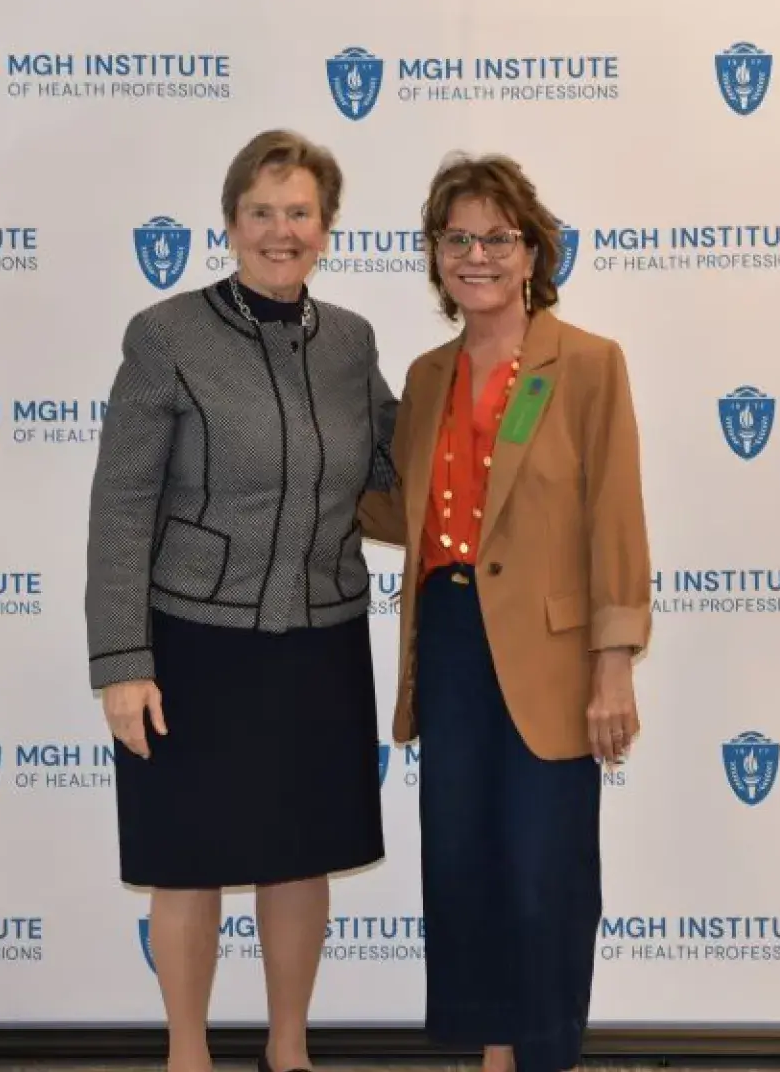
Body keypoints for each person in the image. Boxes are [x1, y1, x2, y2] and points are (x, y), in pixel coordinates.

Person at [84, 128, 399, 1072]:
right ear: (229, 223)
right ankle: (187, 1054)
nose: (280, 230)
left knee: (301, 853)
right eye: (261, 212)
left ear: (326, 229)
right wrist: (123, 662)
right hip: (194, 645)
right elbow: (122, 505)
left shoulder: (352, 342)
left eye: (299, 212)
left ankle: (287, 1051)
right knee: (187, 859)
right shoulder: (165, 336)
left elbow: (397, 464)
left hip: (321, 639)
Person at [368, 152, 652, 1072]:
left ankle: (543, 1056)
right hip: (449, 641)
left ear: (531, 252)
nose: (477, 256)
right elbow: (402, 506)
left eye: (497, 238)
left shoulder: (587, 364)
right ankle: (496, 1055)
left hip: (552, 652)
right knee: (465, 862)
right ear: (435, 256)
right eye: (457, 239)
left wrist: (614, 662)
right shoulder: (425, 376)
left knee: (544, 873)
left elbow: (615, 517)